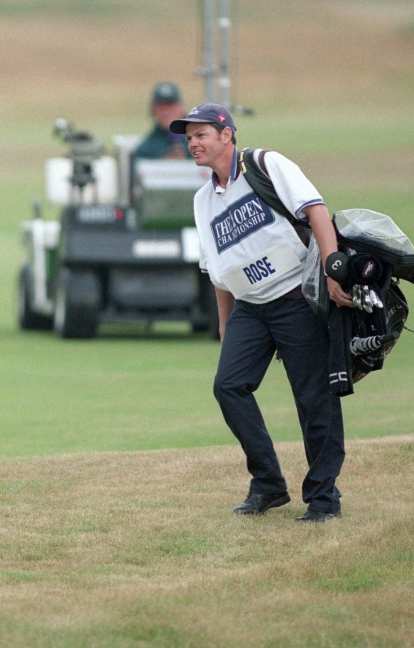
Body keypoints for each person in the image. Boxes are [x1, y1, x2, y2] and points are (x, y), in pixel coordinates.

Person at [170, 103, 354, 523]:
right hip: (250, 309)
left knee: (314, 401)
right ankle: (268, 484)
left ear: (226, 135)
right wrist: (224, 324)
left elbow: (316, 210)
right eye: (189, 137)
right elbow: (217, 271)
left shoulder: (266, 164)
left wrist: (331, 270)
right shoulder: (203, 201)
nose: (193, 143)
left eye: (201, 135)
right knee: (228, 386)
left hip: (296, 299)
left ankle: (324, 498)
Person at [134, 81, 192, 161]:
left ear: (182, 106)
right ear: (153, 110)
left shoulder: (200, 137)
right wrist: (163, 163)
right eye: (161, 106)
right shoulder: (146, 148)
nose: (166, 111)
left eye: (170, 105)